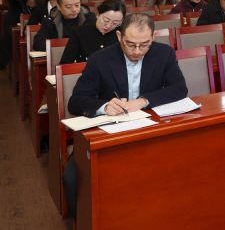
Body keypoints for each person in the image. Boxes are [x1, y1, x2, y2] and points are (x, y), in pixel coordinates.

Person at [64, 13, 188, 217]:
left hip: (150, 130)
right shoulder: (99, 59)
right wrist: (104, 106)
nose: (137, 51)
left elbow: (179, 89)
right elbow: (76, 101)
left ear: (153, 37)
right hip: (109, 134)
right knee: (73, 178)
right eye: (130, 44)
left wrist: (143, 101)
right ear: (119, 36)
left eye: (144, 44)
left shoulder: (163, 53)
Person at [60, 0, 125, 64]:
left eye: (115, 23)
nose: (108, 26)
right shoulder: (79, 32)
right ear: (98, 14)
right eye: (106, 20)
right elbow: (65, 64)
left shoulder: (123, 34)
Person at [0, 0, 46, 69]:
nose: (33, 4)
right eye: (31, 2)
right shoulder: (16, 7)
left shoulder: (40, 6)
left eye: (35, 2)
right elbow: (9, 28)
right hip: (16, 35)